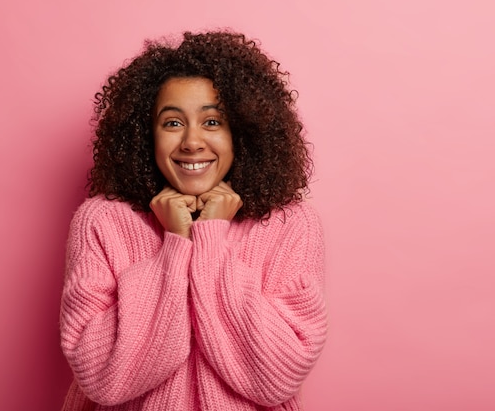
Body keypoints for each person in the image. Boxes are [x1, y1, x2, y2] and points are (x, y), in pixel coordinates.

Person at [60, 30, 327, 411]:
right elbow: (103, 377)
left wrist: (211, 240)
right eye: (172, 123)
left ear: (243, 132)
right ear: (144, 135)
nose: (191, 142)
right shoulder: (102, 221)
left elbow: (278, 374)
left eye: (213, 122)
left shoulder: (291, 225)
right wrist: (176, 244)